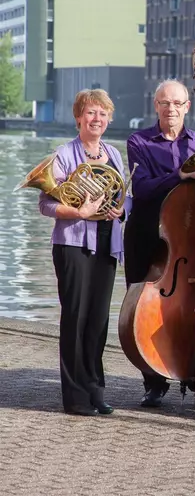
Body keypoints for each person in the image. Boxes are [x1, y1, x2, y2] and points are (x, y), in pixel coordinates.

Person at [36, 89, 129, 416]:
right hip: (73, 243)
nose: (97, 119)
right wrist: (78, 212)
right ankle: (75, 397)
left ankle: (95, 389)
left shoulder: (114, 155)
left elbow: (123, 195)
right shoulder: (64, 155)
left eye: (103, 114)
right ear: (79, 117)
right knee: (75, 317)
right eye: (91, 113)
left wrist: (121, 210)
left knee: (98, 320)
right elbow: (45, 204)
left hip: (107, 242)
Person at [124, 79, 195, 409]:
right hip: (147, 234)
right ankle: (154, 380)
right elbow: (142, 189)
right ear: (155, 106)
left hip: (186, 237)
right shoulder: (139, 141)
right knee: (145, 307)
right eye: (164, 103)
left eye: (177, 103)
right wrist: (181, 175)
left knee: (189, 302)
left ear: (188, 106)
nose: (170, 108)